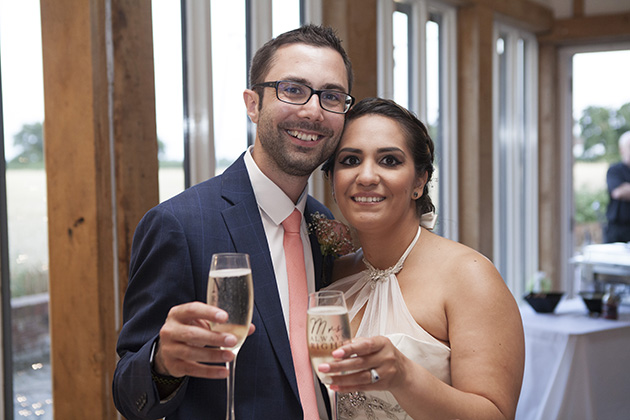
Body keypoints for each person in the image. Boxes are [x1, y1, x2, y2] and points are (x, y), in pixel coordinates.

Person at [112, 25, 354, 420]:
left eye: (331, 96)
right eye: (293, 89)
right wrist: (162, 364)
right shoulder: (178, 224)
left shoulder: (322, 223)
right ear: (253, 104)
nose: (313, 110)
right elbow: (128, 393)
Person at [317, 98, 525, 420]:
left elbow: (496, 414)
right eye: (350, 160)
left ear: (419, 180)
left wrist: (404, 376)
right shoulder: (332, 276)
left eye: (389, 160)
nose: (367, 176)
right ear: (332, 180)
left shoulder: (469, 277)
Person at [604, 130, 630, 243]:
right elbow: (618, 192)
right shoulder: (615, 170)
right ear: (622, 149)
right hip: (618, 229)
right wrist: (623, 190)